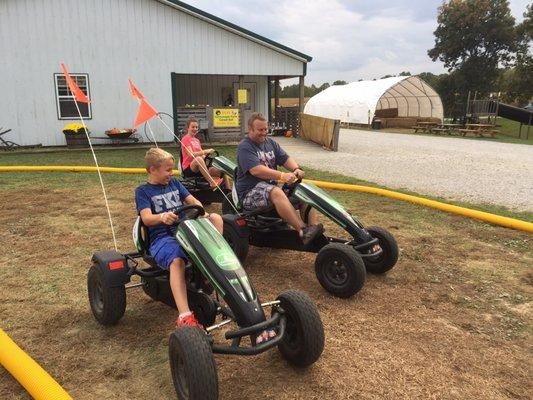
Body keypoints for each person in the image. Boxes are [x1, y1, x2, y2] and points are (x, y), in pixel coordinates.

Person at [135, 148, 224, 329]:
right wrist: (161, 217)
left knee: (216, 218)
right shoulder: (143, 191)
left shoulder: (174, 183)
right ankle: (184, 315)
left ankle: (210, 271)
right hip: (162, 237)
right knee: (177, 261)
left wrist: (201, 210)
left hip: (184, 228)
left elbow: (192, 200)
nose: (171, 173)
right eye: (167, 170)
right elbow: (146, 218)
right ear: (152, 170)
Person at [236, 112, 323, 245]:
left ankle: (313, 230)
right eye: (260, 130)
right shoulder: (245, 146)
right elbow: (256, 170)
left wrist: (296, 169)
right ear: (250, 130)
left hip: (269, 191)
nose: (264, 132)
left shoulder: (270, 143)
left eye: (266, 129)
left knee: (303, 190)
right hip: (249, 193)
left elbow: (285, 158)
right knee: (276, 192)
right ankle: (303, 230)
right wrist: (282, 176)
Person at [180, 116, 225, 189]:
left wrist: (207, 155)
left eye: (196, 127)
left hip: (199, 167)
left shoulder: (197, 140)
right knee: (198, 159)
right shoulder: (185, 139)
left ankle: (228, 191)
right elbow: (191, 155)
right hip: (189, 169)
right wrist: (205, 151)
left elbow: (202, 155)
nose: (195, 129)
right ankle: (212, 183)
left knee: (220, 168)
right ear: (188, 128)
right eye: (193, 127)